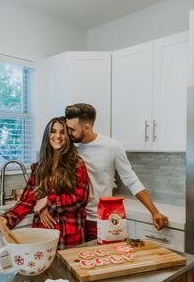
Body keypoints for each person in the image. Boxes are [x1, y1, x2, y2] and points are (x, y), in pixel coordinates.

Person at [65, 103, 169, 241]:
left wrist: (154, 212)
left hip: (100, 219)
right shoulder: (68, 147)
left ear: (87, 127)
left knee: (103, 259)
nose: (68, 133)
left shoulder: (111, 146)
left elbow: (131, 180)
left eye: (72, 129)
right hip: (72, 219)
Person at [0, 116, 89, 249]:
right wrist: (7, 218)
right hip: (42, 233)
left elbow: (80, 200)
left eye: (62, 132)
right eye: (53, 131)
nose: (58, 136)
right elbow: (27, 200)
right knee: (44, 269)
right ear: (47, 135)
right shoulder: (39, 167)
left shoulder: (77, 164)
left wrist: (48, 200)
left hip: (69, 236)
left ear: (68, 137)